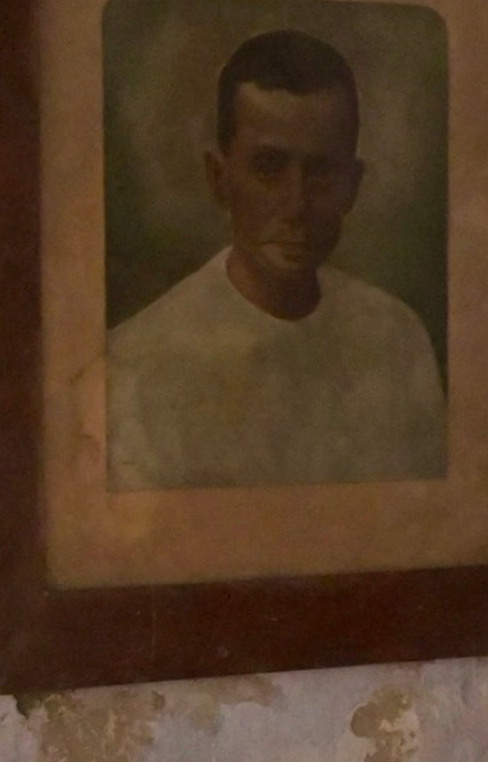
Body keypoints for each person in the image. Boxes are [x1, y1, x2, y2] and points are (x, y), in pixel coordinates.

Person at [105, 27, 447, 491]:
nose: (295, 204)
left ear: (353, 185)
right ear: (219, 178)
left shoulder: (398, 338)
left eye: (321, 172)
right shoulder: (135, 364)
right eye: (268, 169)